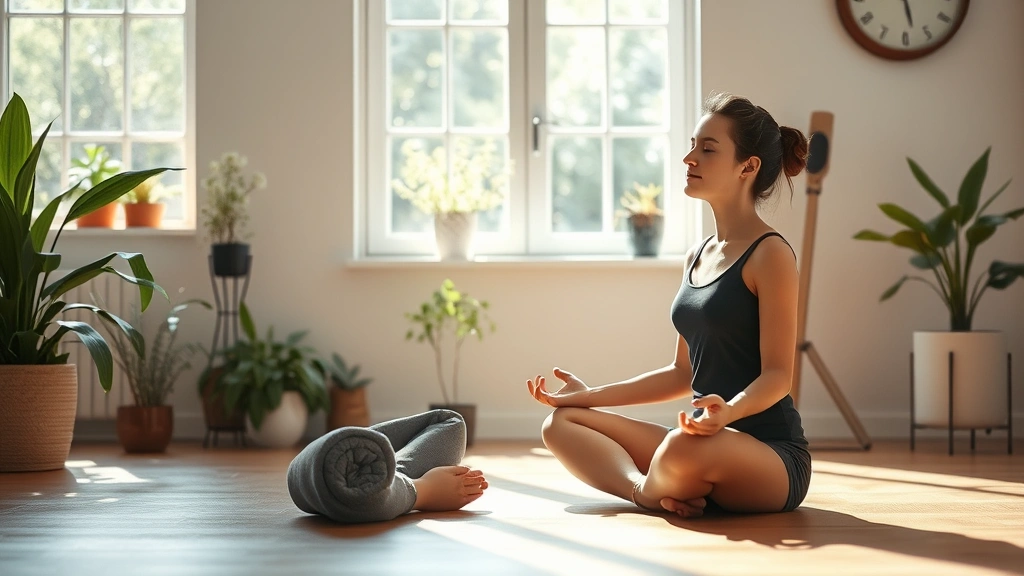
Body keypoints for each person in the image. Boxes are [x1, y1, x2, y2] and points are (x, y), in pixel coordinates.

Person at [527, 93, 811, 518]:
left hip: (771, 457)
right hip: (700, 439)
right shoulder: (697, 256)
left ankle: (656, 488)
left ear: (747, 167)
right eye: (693, 145)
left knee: (680, 445)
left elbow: (777, 376)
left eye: (707, 149)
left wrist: (728, 412)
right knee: (561, 424)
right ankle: (650, 490)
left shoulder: (771, 254)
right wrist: (587, 398)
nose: (689, 157)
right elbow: (682, 373)